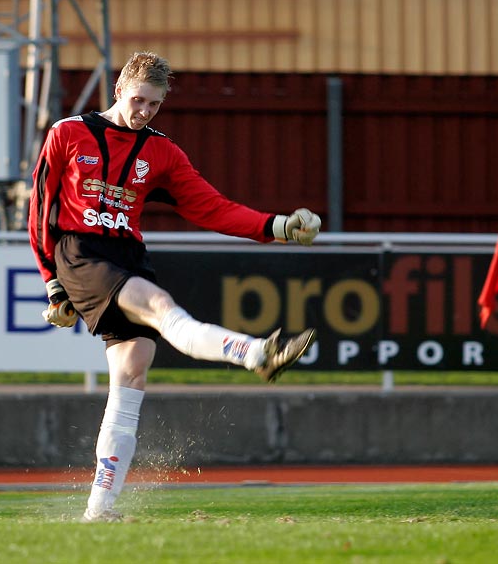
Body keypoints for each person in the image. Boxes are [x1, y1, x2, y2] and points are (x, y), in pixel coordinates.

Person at [28, 51, 320, 522]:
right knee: (162, 306)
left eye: (155, 105)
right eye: (139, 100)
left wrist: (280, 226)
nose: (145, 111)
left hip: (127, 254)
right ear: (120, 88)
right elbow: (39, 211)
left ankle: (98, 511)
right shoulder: (68, 132)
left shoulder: (162, 151)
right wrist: (52, 284)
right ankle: (254, 353)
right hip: (79, 251)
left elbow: (212, 207)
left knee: (133, 371)